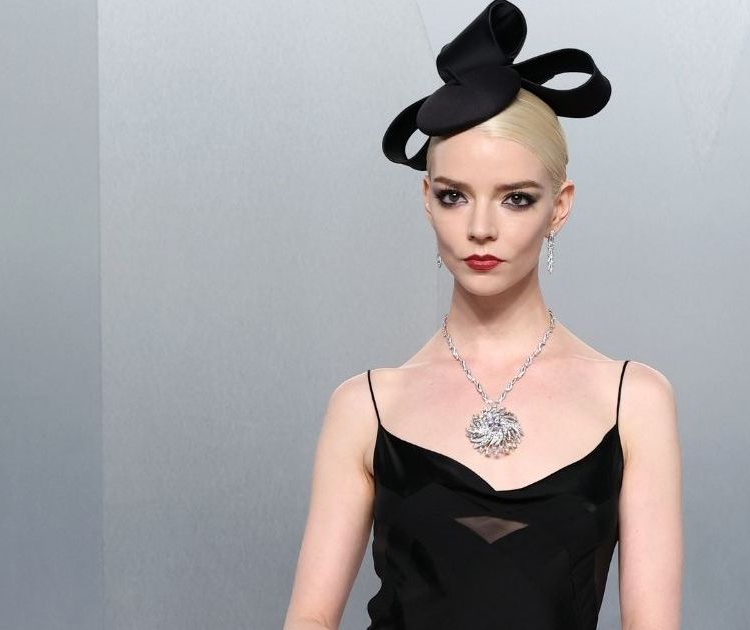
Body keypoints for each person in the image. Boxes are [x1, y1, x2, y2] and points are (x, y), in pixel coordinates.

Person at [283, 2, 682, 628]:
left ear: (559, 207)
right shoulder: (365, 407)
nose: (480, 228)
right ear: (427, 199)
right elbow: (307, 620)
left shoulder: (633, 402)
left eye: (515, 199)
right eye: (453, 196)